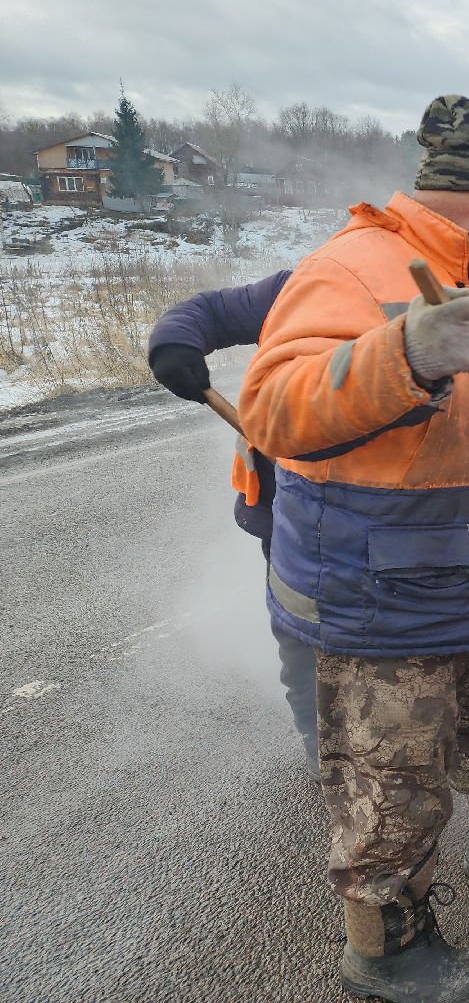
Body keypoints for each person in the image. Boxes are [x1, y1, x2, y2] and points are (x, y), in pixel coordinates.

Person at [239, 95, 469, 1003]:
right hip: (380, 595)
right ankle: (386, 946)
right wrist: (402, 354)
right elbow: (274, 407)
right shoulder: (352, 272)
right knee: (390, 779)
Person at [146, 271, 322, 780]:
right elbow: (212, 311)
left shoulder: (440, 294)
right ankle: (320, 743)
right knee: (301, 628)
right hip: (287, 505)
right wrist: (174, 342)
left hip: (392, 512)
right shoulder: (305, 284)